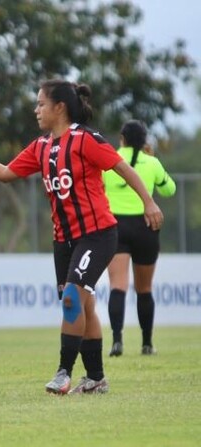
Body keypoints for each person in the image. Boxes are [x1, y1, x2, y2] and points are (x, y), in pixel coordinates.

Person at [0, 80, 163, 395]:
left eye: (40, 104)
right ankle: (96, 378)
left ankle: (63, 373)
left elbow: (123, 168)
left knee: (72, 299)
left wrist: (148, 202)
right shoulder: (42, 146)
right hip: (64, 241)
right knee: (82, 306)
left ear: (60, 107)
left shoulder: (86, 139)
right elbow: (5, 173)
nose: (36, 109)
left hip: (97, 234)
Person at [103, 120, 176, 357]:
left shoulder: (109, 159)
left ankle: (116, 341)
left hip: (115, 227)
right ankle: (146, 343)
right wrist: (153, 165)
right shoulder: (152, 162)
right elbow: (169, 190)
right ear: (144, 141)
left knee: (118, 286)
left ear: (121, 138)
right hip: (145, 226)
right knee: (144, 289)